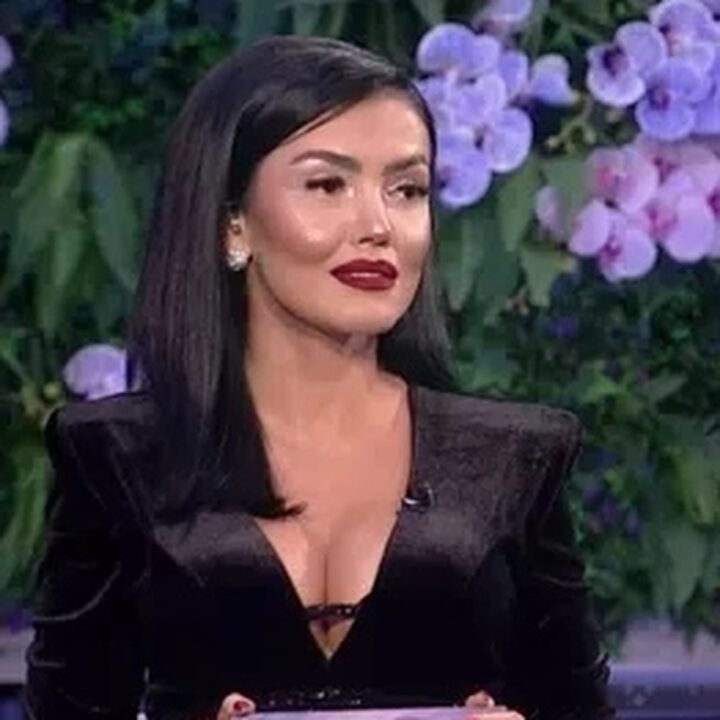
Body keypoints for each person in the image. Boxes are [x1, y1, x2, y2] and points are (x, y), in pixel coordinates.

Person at [23, 35, 615, 720]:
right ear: (233, 224)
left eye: (407, 190)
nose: (378, 226)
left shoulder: (515, 456)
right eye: (328, 185)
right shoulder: (116, 454)